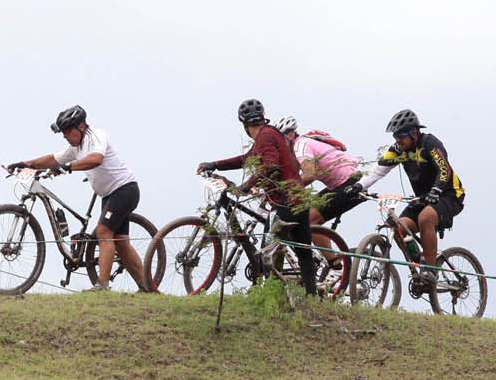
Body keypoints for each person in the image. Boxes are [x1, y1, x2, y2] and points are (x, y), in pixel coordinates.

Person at [6, 105, 153, 292]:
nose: (65, 136)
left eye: (68, 131)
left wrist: (69, 167)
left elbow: (96, 159)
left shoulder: (97, 136)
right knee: (122, 243)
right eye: (63, 133)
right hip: (108, 195)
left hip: (124, 190)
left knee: (103, 232)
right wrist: (27, 163)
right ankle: (147, 287)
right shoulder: (76, 148)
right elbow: (53, 159)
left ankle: (102, 286)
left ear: (81, 127)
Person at [196, 99, 319, 296]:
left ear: (244, 125)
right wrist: (215, 164)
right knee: (303, 252)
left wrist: (247, 185)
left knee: (269, 252)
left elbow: (270, 166)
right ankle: (312, 297)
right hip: (298, 199)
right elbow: (246, 159)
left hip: (285, 201)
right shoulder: (269, 134)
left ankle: (268, 295)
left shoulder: (265, 137)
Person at [359, 109, 465, 293]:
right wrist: (359, 186)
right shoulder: (398, 151)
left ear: (414, 133)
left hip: (449, 194)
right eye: (395, 136)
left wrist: (436, 189)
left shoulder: (429, 143)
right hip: (422, 198)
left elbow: (444, 170)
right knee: (398, 227)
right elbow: (378, 171)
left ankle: (430, 271)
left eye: (400, 136)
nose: (397, 140)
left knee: (426, 218)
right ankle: (419, 264)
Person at [273, 115, 369, 263]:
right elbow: (291, 177)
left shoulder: (300, 146)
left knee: (309, 219)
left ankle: (335, 267)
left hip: (352, 183)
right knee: (301, 211)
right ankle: (324, 261)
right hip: (341, 184)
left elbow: (310, 175)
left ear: (291, 135)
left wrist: (283, 190)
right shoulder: (298, 148)